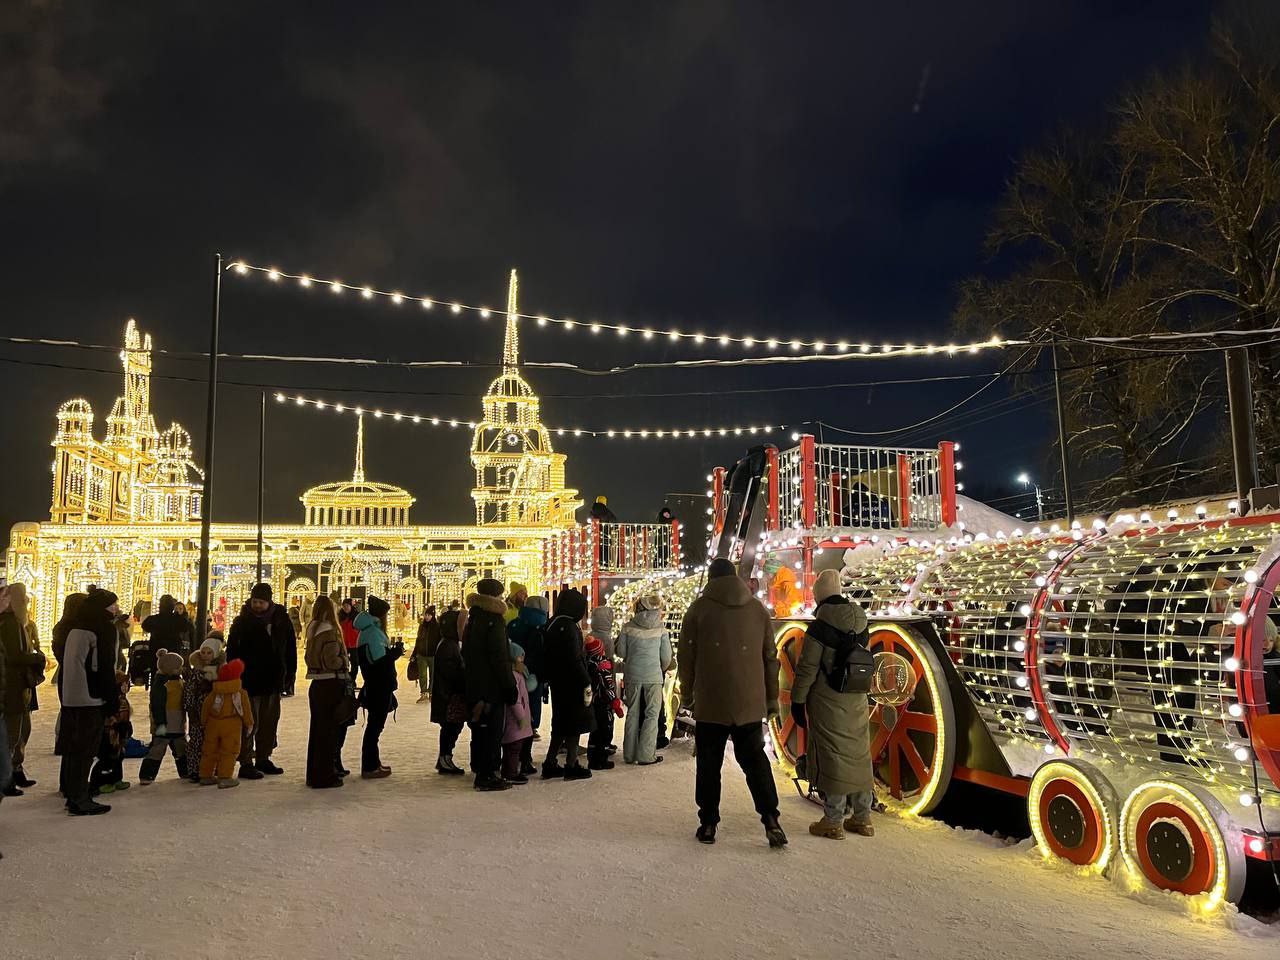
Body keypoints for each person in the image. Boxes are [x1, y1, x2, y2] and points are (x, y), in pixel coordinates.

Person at [679, 558, 786, 848]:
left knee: (709, 763)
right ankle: (771, 818)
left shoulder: (699, 609)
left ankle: (708, 823)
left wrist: (687, 694)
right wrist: (771, 697)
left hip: (711, 700)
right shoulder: (757, 609)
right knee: (755, 761)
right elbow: (770, 658)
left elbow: (686, 657)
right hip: (748, 701)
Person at [790, 569, 874, 840]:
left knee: (833, 755)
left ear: (819, 596)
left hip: (828, 700)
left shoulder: (820, 627)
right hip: (856, 697)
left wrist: (797, 700)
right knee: (859, 755)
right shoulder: (861, 623)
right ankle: (863, 817)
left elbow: (807, 669)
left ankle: (833, 820)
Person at [58, 587, 122, 815]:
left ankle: (72, 792)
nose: (116, 608)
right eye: (113, 604)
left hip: (71, 695)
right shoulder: (102, 629)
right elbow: (102, 666)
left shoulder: (75, 627)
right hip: (91, 696)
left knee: (74, 748)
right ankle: (80, 798)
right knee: (85, 749)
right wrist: (111, 700)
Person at [226, 582, 296, 780]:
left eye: (261, 602)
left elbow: (289, 648)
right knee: (249, 722)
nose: (257, 605)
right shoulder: (242, 622)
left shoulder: (281, 620)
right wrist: (235, 672)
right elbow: (232, 650)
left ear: (269, 602)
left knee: (269, 721)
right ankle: (246, 761)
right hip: (250, 680)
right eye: (255, 601)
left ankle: (264, 757)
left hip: (273, 679)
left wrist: (289, 673)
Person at [463, 579, 517, 791]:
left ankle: (479, 767)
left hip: (475, 684)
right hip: (491, 687)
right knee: (492, 731)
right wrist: (509, 686)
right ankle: (488, 774)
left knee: (479, 728)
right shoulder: (494, 620)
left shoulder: (474, 617)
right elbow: (499, 657)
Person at [541, 587, 594, 781]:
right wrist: (586, 680)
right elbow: (574, 659)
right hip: (572, 682)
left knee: (560, 724)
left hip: (557, 681)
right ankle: (571, 764)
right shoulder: (569, 626)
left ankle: (550, 762)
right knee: (574, 724)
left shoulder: (552, 623)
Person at [616, 595, 672, 765]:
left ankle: (629, 754)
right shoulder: (661, 629)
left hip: (632, 674)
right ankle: (646, 755)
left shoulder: (627, 627)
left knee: (632, 712)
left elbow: (621, 653)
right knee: (652, 714)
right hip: (653, 676)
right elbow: (666, 657)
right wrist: (660, 668)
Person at [1, 583, 46, 793]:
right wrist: (36, 658)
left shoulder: (19, 622)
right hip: (13, 686)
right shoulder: (11, 623)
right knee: (13, 731)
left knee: (21, 730)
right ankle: (7, 777)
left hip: (19, 685)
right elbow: (14, 656)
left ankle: (15, 770)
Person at [304, 596, 350, 788]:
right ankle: (325, 775)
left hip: (317, 684)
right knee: (329, 732)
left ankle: (314, 773)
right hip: (331, 682)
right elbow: (332, 660)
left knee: (317, 731)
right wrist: (344, 661)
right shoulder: (330, 632)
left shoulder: (312, 630)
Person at [355, 596, 400, 779]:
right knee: (375, 727)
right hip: (378, 685)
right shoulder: (373, 633)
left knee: (374, 726)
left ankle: (373, 762)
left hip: (375, 684)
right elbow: (379, 662)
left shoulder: (368, 631)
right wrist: (394, 654)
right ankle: (370, 765)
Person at [199, 659, 254, 789]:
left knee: (209, 750)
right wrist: (249, 723)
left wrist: (203, 722)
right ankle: (225, 777)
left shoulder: (214, 692)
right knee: (229, 751)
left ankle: (206, 775)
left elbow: (206, 708)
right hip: (232, 725)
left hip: (213, 724)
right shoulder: (241, 693)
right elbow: (246, 710)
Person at [508, 595, 548, 763]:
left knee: (514, 713)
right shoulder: (539, 628)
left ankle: (513, 755)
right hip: (533, 677)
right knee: (530, 714)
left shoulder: (514, 624)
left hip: (513, 673)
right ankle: (524, 756)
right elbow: (540, 655)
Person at [139, 648, 188, 783]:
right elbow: (158, 705)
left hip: (178, 723)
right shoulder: (162, 684)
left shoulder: (179, 682)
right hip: (165, 723)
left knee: (181, 748)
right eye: (179, 667)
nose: (181, 669)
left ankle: (185, 771)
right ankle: (147, 775)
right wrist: (160, 722)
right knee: (157, 749)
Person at [184, 634, 224, 783]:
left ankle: (214, 768)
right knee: (196, 741)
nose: (206, 656)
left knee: (215, 740)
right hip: (198, 711)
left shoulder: (221, 671)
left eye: (209, 653)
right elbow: (189, 691)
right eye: (203, 652)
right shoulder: (197, 672)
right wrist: (190, 708)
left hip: (216, 711)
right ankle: (195, 769)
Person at [431, 608, 467, 775]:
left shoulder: (449, 643)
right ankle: (445, 758)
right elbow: (451, 674)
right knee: (451, 728)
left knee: (452, 727)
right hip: (449, 697)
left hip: (448, 695)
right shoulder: (448, 646)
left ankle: (445, 758)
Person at [89, 670, 132, 795]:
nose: (126, 686)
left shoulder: (122, 699)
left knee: (119, 757)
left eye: (127, 684)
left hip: (119, 733)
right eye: (124, 684)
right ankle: (101, 782)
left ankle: (116, 779)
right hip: (110, 733)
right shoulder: (110, 701)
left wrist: (126, 728)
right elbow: (110, 717)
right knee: (107, 758)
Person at [584, 634, 622, 770]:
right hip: (603, 704)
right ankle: (601, 759)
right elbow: (608, 686)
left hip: (594, 703)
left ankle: (592, 758)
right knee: (604, 731)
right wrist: (614, 702)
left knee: (595, 732)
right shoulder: (603, 666)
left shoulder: (588, 664)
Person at [502, 642, 534, 784]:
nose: (523, 660)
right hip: (514, 720)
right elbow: (515, 700)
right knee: (513, 747)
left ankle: (508, 770)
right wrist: (521, 717)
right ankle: (511, 773)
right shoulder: (514, 676)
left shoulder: (517, 674)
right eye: (521, 657)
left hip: (517, 719)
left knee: (513, 747)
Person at [141, 594, 194, 661]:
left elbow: (145, 626)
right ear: (172, 606)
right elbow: (187, 627)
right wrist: (182, 616)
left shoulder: (153, 619)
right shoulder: (177, 619)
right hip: (173, 653)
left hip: (156, 652)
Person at [412, 606, 440, 703]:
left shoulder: (437, 627)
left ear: (432, 615)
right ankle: (423, 693)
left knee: (433, 675)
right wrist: (414, 653)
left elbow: (439, 640)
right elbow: (418, 640)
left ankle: (431, 693)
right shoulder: (422, 626)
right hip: (422, 654)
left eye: (429, 615)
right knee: (422, 675)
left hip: (433, 655)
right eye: (426, 615)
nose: (427, 617)